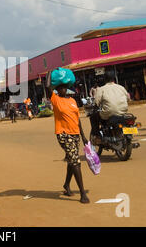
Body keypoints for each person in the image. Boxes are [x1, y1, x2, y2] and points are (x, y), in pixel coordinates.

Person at [46, 70, 90, 204]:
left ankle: (66, 185)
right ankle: (82, 193)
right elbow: (48, 87)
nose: (63, 89)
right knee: (76, 162)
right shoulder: (55, 99)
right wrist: (49, 73)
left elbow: (77, 119)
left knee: (72, 160)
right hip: (64, 135)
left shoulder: (72, 101)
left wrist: (83, 136)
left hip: (75, 134)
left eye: (65, 87)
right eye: (60, 87)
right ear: (57, 89)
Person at [90, 69, 130, 144]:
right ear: (114, 78)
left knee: (93, 117)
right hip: (122, 112)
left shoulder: (101, 89)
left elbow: (96, 102)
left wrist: (96, 106)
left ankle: (98, 136)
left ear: (105, 79)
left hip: (108, 113)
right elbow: (128, 98)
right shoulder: (121, 87)